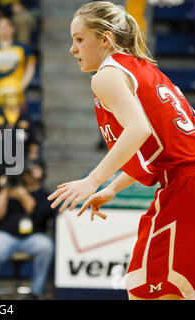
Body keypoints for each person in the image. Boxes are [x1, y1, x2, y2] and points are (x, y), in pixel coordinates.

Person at [48, 1, 195, 300]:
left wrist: (93, 180)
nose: (72, 49)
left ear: (105, 39)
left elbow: (137, 130)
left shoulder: (107, 75)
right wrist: (113, 188)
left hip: (184, 186)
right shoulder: (144, 70)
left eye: (79, 39)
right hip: (182, 181)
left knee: (148, 291)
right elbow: (153, 147)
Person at [0, 159, 55, 300]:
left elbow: (37, 213)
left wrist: (22, 194)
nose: (28, 176)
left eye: (32, 172)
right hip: (5, 236)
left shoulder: (44, 195)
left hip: (33, 237)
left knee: (46, 247)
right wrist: (6, 189)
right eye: (25, 173)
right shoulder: (9, 190)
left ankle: (35, 293)